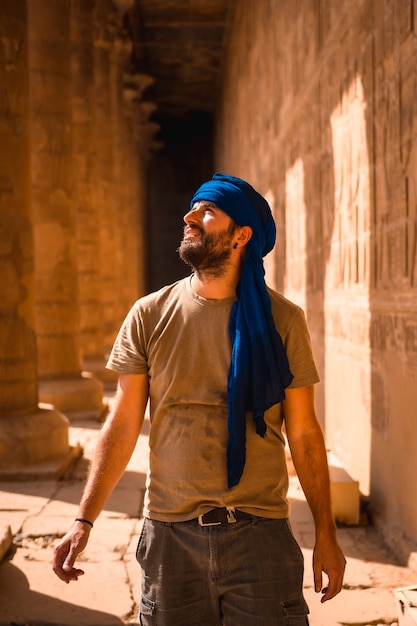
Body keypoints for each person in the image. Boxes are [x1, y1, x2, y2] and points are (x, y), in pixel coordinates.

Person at [53, 173, 346, 625]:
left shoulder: (284, 321)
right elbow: (124, 422)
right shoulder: (148, 314)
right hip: (170, 537)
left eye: (207, 211)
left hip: (259, 535)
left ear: (241, 235)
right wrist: (84, 519)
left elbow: (304, 430)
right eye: (193, 207)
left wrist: (326, 531)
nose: (190, 217)